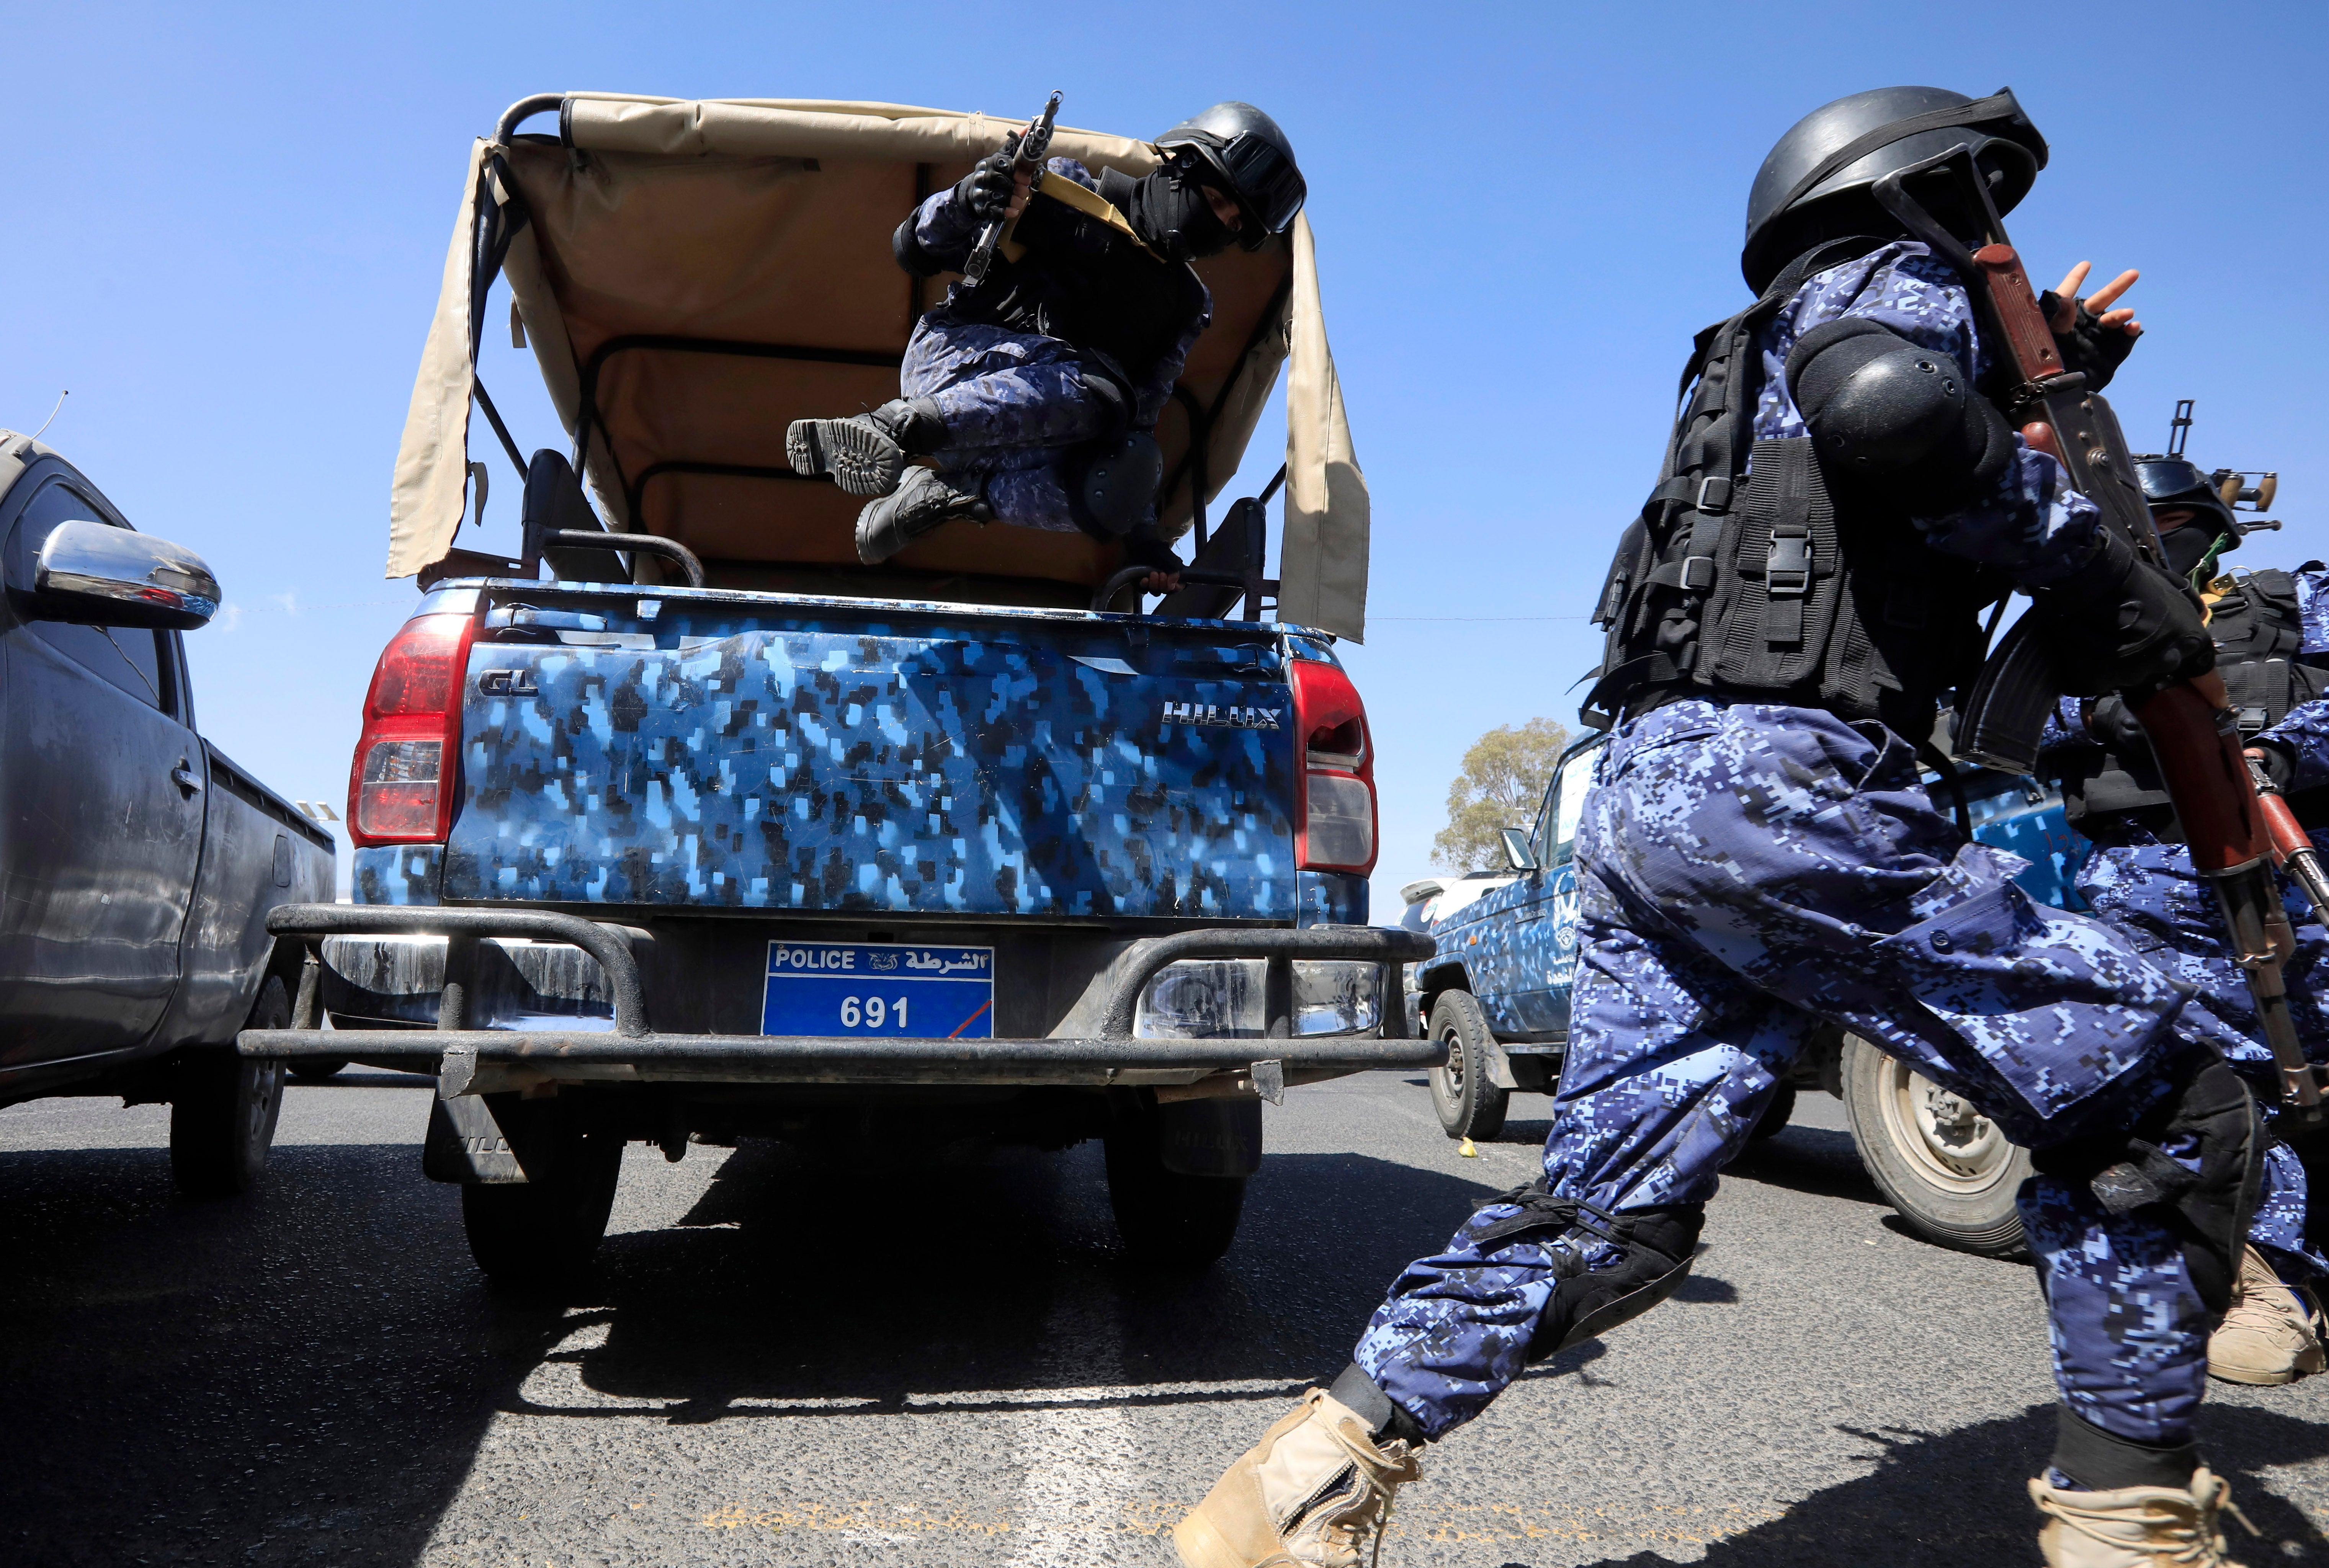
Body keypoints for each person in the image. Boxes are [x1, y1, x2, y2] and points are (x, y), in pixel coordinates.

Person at [1174, 87, 2263, 1568]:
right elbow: (1888, 402)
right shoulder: (1891, 278)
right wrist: (2097, 571)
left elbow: (1890, 452)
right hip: (1786, 784)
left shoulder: (1739, 366)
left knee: (1611, 1212)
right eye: (1981, 201)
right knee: (2165, 1105)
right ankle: (2132, 1521)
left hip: (1651, 789)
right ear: (1910, 193)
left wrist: (2050, 382)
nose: (1993, 237)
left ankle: (1293, 1491)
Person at [2045, 452, 2329, 1388]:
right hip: (2142, 881)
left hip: (2283, 868)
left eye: (2173, 535)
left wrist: (2278, 750)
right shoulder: (2079, 631)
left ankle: (2283, 1275)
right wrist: (2106, 708)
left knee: (2301, 1077)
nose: (2158, 554)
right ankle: (2263, 1280)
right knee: (2193, 1080)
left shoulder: (2292, 604)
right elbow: (2006, 728)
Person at [784, 101, 1305, 572]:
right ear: (1182, 168)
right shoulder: (1068, 189)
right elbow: (915, 248)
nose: (1219, 225)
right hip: (950, 367)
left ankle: (948, 496)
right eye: (1216, 201)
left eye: (1234, 225)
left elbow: (1141, 419)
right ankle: (889, 427)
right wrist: (968, 200)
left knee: (1125, 475)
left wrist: (1143, 535)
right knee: (1101, 391)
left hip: (1033, 434)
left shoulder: (1187, 305)